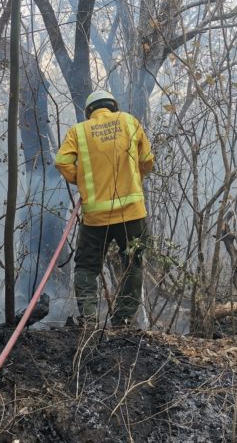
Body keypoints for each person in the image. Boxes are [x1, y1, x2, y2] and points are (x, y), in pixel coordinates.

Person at [55, 90, 154, 328]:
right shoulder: (129, 121)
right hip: (132, 213)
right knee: (133, 263)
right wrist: (134, 179)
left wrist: (80, 179)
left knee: (87, 266)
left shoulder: (79, 131)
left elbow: (62, 162)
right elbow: (148, 159)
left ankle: (89, 320)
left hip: (96, 217)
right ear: (112, 106)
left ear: (89, 111)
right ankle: (122, 320)